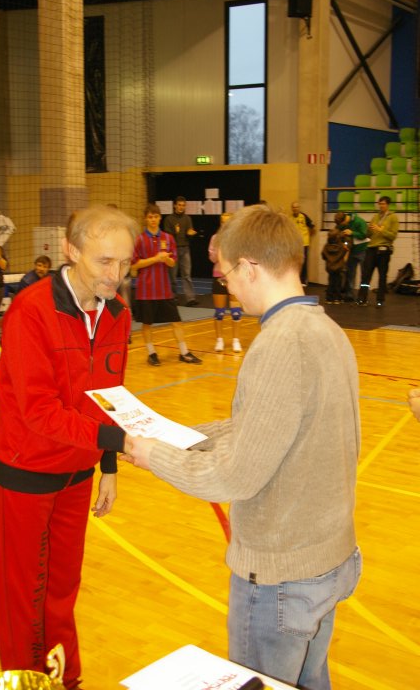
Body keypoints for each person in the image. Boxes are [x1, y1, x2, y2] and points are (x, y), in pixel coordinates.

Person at [123, 205, 362, 690]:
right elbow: (268, 427)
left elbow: (234, 476)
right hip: (327, 560)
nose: (226, 283)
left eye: (227, 272)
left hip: (280, 578)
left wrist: (153, 456)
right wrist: (182, 436)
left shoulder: (278, 344)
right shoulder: (326, 329)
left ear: (250, 267)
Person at [0, 205, 138, 690]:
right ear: (71, 251)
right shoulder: (31, 310)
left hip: (77, 474)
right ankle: (26, 682)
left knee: (62, 590)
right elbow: (39, 411)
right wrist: (117, 441)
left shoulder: (118, 313)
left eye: (124, 263)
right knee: (23, 599)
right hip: (24, 474)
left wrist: (108, 465)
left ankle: (64, 679)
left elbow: (109, 397)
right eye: (104, 261)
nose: (116, 275)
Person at [131, 204, 202, 366]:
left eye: (155, 216)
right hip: (146, 291)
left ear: (160, 218)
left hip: (164, 290)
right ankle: (152, 353)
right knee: (147, 324)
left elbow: (172, 263)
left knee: (176, 321)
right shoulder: (139, 239)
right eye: (150, 217)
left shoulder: (168, 238)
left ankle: (184, 352)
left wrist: (166, 259)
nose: (153, 220)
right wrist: (156, 259)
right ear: (145, 219)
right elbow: (134, 265)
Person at [357, 196, 399, 307]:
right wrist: (369, 230)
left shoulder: (393, 217)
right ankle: (362, 298)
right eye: (380, 204)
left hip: (384, 249)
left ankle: (380, 300)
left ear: (388, 205)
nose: (381, 206)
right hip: (371, 248)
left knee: (382, 275)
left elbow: (393, 236)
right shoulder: (375, 216)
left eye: (383, 204)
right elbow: (368, 234)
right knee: (366, 275)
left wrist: (381, 230)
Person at [208, 214, 242, 352]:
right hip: (219, 276)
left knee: (236, 311)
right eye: (223, 222)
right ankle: (219, 340)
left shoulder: (238, 239)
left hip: (234, 277)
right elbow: (212, 258)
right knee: (220, 312)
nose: (225, 225)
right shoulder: (215, 238)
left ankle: (236, 340)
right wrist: (219, 249)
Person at [163, 195, 198, 306]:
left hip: (185, 248)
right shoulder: (169, 219)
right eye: (179, 205)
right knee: (172, 276)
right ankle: (172, 297)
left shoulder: (187, 219)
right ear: (175, 205)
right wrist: (175, 231)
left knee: (187, 275)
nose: (181, 207)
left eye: (183, 205)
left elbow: (189, 233)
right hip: (173, 250)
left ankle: (190, 298)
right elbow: (167, 237)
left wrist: (190, 234)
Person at [334, 211, 368, 302]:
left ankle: (363, 296)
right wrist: (344, 244)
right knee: (350, 274)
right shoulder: (342, 224)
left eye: (342, 225)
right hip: (351, 251)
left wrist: (352, 233)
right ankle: (349, 295)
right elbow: (338, 232)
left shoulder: (360, 221)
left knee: (364, 274)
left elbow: (364, 235)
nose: (342, 226)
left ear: (345, 220)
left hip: (362, 250)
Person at [321, 228, 350, 304]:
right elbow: (345, 254)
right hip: (339, 267)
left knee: (330, 282)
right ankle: (337, 298)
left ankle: (329, 298)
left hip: (330, 267)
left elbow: (323, 256)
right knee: (338, 283)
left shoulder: (326, 246)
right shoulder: (341, 247)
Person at [290, 201, 314, 286]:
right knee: (295, 262)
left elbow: (312, 225)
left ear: (299, 208)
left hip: (304, 243)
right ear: (292, 209)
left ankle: (303, 281)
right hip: (295, 243)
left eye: (297, 207)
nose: (295, 209)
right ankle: (295, 280)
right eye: (293, 207)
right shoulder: (290, 218)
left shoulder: (303, 216)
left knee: (303, 262)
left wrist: (307, 235)